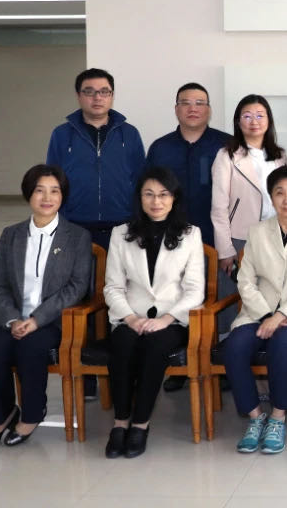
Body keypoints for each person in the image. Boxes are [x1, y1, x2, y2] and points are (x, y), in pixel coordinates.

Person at [0, 165, 92, 447]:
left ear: (63, 196)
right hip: (13, 319)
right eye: (40, 190)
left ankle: (32, 413)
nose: (47, 198)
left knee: (30, 348)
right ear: (29, 194)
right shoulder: (11, 235)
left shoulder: (77, 236)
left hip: (53, 321)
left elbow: (77, 287)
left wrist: (37, 319)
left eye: (54, 191)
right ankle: (3, 412)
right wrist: (12, 319)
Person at [224, 166, 287, 455]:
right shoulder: (257, 232)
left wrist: (281, 316)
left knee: (281, 344)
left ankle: (278, 417)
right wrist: (266, 315)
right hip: (258, 311)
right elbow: (245, 280)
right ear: (271, 198)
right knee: (234, 346)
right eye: (280, 193)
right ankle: (255, 416)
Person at [103, 167, 205, 458]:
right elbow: (113, 287)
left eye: (163, 195)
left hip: (172, 319)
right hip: (130, 316)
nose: (156, 201)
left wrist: (166, 319)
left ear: (174, 198)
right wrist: (130, 318)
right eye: (149, 194)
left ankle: (140, 424)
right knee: (121, 345)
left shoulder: (190, 234)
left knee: (155, 347)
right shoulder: (121, 234)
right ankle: (120, 422)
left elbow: (195, 290)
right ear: (140, 198)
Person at [45, 68, 145, 248]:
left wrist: (137, 218)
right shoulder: (61, 134)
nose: (97, 97)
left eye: (104, 92)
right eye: (89, 92)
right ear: (78, 95)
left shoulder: (130, 134)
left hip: (123, 226)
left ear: (112, 95)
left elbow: (140, 179)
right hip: (74, 225)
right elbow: (52, 182)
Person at [210, 94, 285, 328]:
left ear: (269, 120)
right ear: (238, 121)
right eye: (247, 116)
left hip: (275, 236)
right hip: (240, 239)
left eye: (260, 115)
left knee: (271, 297)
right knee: (235, 300)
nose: (254, 121)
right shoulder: (226, 156)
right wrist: (225, 249)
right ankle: (229, 341)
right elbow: (219, 207)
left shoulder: (280, 156)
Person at [145, 82, 228, 246]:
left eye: (199, 103)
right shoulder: (160, 148)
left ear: (209, 110)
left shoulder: (227, 145)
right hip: (168, 237)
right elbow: (147, 193)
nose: (192, 109)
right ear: (176, 109)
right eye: (185, 103)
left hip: (216, 239)